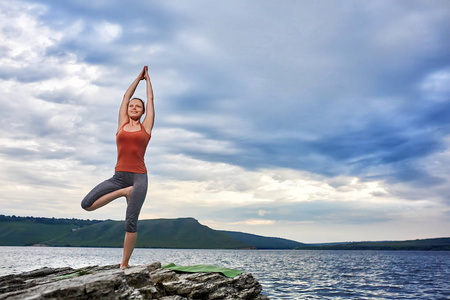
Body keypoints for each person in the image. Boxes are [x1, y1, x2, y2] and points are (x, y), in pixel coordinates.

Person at [81, 66, 154, 268]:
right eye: (131, 106)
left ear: (143, 111)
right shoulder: (122, 124)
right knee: (86, 204)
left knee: (130, 222)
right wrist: (137, 78)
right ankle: (123, 192)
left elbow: (151, 101)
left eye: (138, 107)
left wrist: (147, 81)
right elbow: (124, 97)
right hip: (119, 178)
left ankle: (124, 264)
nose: (133, 108)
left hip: (139, 177)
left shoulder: (145, 127)